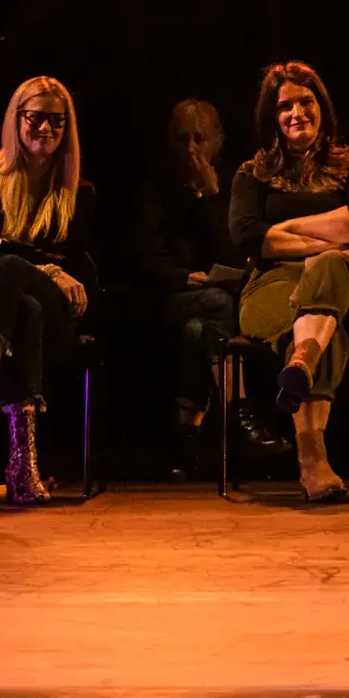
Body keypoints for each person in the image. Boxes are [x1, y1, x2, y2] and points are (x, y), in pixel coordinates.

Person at [229, 61, 349, 503]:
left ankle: (303, 360)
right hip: (273, 289)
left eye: (307, 101)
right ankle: (313, 456)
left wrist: (284, 233)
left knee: (329, 268)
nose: (297, 112)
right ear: (271, 116)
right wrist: (330, 231)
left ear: (323, 107)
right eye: (286, 106)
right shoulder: (251, 175)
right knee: (323, 324)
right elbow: (246, 237)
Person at [0, 76, 102, 505]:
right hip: (5, 310)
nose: (45, 128)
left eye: (57, 120)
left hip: (64, 313)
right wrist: (48, 267)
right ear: (17, 120)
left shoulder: (80, 193)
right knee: (25, 308)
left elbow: (68, 263)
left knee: (14, 269)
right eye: (36, 117)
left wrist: (3, 246)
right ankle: (22, 465)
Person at [138, 98, 249, 473]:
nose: (191, 149)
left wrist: (212, 198)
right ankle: (235, 411)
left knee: (198, 330)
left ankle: (187, 432)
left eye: (199, 139)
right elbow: (144, 260)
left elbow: (235, 258)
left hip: (210, 307)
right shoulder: (155, 191)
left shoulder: (233, 187)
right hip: (166, 299)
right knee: (216, 304)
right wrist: (185, 278)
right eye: (182, 139)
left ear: (217, 141)